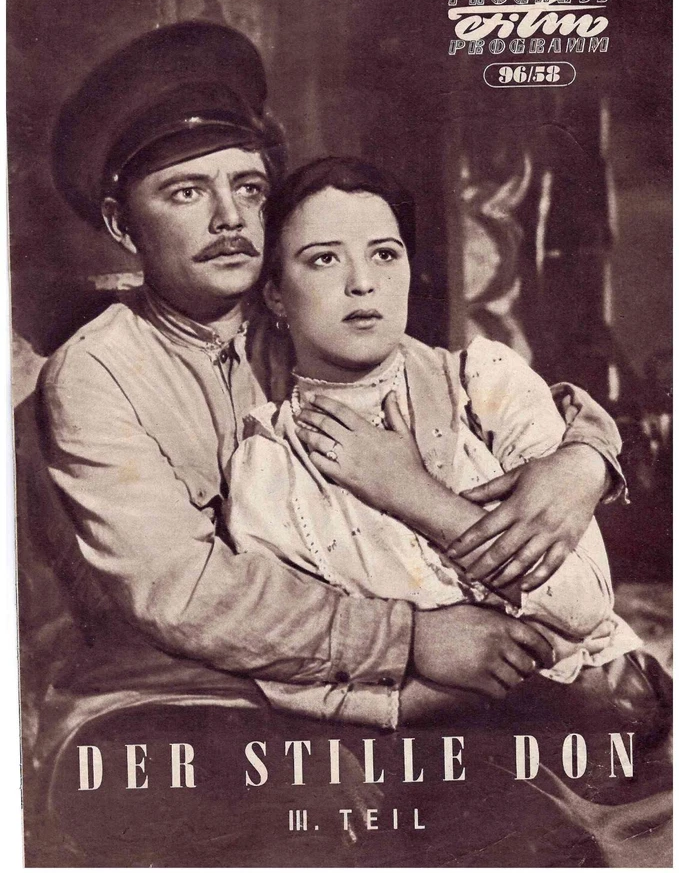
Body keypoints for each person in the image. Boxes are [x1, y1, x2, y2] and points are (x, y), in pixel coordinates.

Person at [36, 21, 629, 745]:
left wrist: (584, 457)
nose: (229, 218)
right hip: (211, 684)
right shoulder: (95, 373)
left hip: (399, 657)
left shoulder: (306, 304)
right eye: (186, 192)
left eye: (249, 188)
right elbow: (184, 591)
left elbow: (455, 384)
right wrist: (408, 639)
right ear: (122, 226)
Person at [224, 156, 641, 726]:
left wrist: (410, 492)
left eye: (384, 254)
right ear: (275, 294)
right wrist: (424, 689)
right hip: (401, 749)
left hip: (588, 719)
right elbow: (282, 671)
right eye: (324, 259)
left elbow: (583, 605)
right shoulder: (268, 466)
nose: (362, 282)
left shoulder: (489, 385)